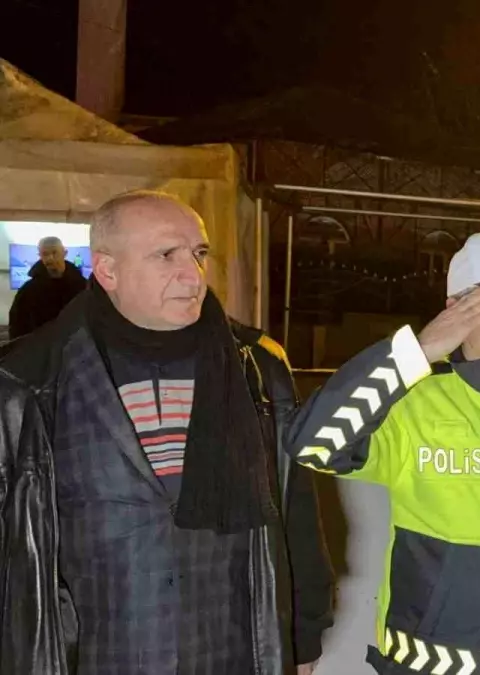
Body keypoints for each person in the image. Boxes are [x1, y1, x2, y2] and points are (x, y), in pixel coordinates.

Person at [0, 191, 333, 675]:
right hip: (94, 653)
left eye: (199, 253)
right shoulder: (27, 381)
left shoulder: (257, 368)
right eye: (166, 255)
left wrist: (303, 633)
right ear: (108, 270)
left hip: (231, 647)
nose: (193, 275)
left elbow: (294, 506)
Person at [287, 226, 480, 675]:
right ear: (456, 310)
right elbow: (313, 444)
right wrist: (416, 351)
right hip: (428, 664)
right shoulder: (411, 396)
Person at [8, 235, 88, 339]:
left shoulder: (83, 286)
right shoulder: (28, 290)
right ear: (40, 256)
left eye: (54, 253)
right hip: (40, 346)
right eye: (45, 254)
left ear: (65, 253)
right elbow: (17, 325)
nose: (50, 258)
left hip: (77, 346)